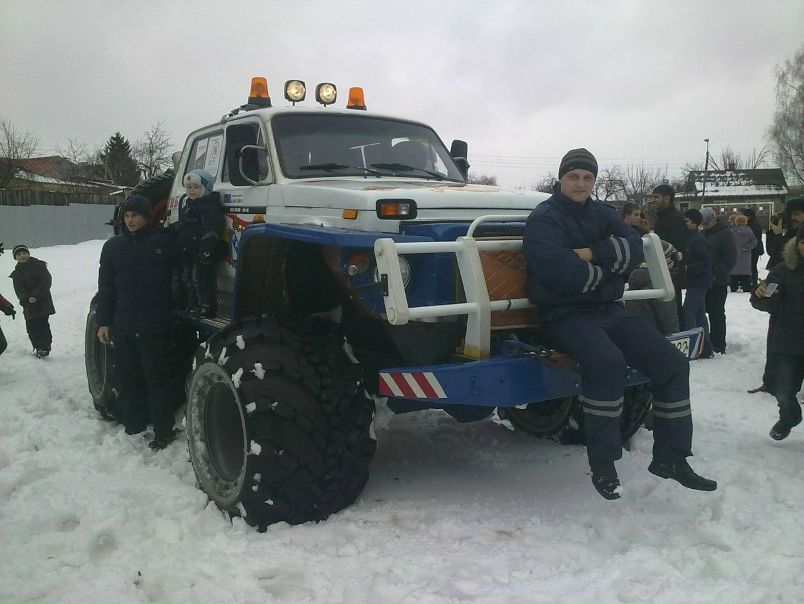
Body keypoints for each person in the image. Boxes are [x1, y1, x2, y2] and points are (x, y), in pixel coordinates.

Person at [523, 148, 716, 500]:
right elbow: (559, 272)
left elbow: (634, 249)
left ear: (593, 181)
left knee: (672, 364)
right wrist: (610, 271)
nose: (580, 183)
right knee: (607, 363)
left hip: (607, 310)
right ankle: (603, 462)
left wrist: (591, 255)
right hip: (562, 315)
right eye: (573, 176)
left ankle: (672, 457)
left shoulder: (603, 213)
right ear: (561, 180)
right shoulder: (544, 218)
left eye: (587, 177)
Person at [96, 195, 178, 450]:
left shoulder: (163, 244)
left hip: (154, 326)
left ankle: (163, 431)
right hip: (124, 325)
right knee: (129, 378)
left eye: (136, 216)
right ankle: (134, 425)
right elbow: (106, 287)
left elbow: (180, 279)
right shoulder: (113, 247)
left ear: (147, 217)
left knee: (157, 380)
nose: (130, 220)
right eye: (127, 216)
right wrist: (103, 322)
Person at [749, 225, 804, 441]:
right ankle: (789, 416)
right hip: (788, 340)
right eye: (803, 242)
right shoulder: (783, 270)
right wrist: (761, 295)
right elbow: (764, 302)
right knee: (782, 390)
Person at [748, 196, 804, 394]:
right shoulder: (790, 234)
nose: (794, 218)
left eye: (798, 214)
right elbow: (775, 254)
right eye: (792, 214)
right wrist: (776, 234)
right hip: (786, 304)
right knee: (776, 339)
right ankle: (771, 381)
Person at [174, 169, 224, 319]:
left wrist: (206, 249)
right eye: (189, 187)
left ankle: (206, 307)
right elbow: (183, 228)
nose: (192, 191)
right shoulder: (187, 207)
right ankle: (193, 305)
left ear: (205, 188)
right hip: (187, 251)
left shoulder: (209, 207)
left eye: (196, 187)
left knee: (201, 280)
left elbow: (212, 229)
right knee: (187, 280)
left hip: (202, 253)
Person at [699, 207, 737, 355]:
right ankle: (704, 341)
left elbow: (729, 258)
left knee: (716, 313)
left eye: (705, 223)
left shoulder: (726, 234)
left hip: (718, 281)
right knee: (701, 311)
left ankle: (718, 344)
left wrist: (715, 273)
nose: (703, 226)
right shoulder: (701, 234)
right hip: (702, 281)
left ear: (712, 220)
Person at [624, 240, 680, 335]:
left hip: (636, 336)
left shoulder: (636, 281)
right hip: (658, 340)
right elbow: (668, 319)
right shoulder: (661, 284)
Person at [9, 245, 55, 358]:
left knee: (42, 325)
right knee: (31, 327)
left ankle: (44, 348)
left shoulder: (38, 265)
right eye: (18, 254)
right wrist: (25, 299)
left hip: (42, 302)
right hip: (28, 305)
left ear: (28, 254)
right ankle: (37, 346)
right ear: (15, 257)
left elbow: (46, 281)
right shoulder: (16, 273)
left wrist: (35, 295)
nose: (22, 255)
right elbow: (18, 289)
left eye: (24, 253)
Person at [651, 184, 687, 325]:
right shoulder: (662, 218)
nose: (653, 200)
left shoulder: (674, 219)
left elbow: (675, 248)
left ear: (667, 198)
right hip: (663, 269)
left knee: (673, 308)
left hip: (672, 270)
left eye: (656, 197)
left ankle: (678, 336)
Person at [681, 209, 713, 357]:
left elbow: (706, 261)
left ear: (694, 223)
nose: (684, 223)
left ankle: (692, 348)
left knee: (688, 312)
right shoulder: (691, 237)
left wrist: (688, 267)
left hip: (699, 282)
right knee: (700, 314)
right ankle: (705, 348)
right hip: (697, 281)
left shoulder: (697, 239)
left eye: (686, 221)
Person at [729, 214, 757, 293]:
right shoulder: (749, 231)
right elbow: (754, 242)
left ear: (736, 222)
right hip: (746, 255)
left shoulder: (731, 231)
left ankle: (733, 287)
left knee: (734, 272)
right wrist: (747, 247)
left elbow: (728, 242)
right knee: (745, 273)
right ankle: (746, 287)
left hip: (734, 254)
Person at [741, 208, 764, 290]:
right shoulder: (754, 223)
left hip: (753, 249)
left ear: (749, 216)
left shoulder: (751, 225)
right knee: (752, 266)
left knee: (751, 266)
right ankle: (752, 282)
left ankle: (752, 283)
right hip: (755, 248)